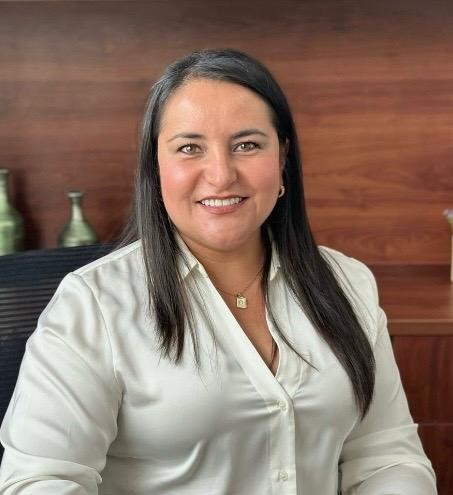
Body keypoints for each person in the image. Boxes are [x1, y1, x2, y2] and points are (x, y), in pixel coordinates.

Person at [0, 49, 436, 495]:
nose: (221, 175)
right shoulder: (93, 303)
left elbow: (385, 456)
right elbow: (40, 481)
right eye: (190, 148)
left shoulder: (347, 283)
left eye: (247, 145)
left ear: (282, 158)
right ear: (156, 167)